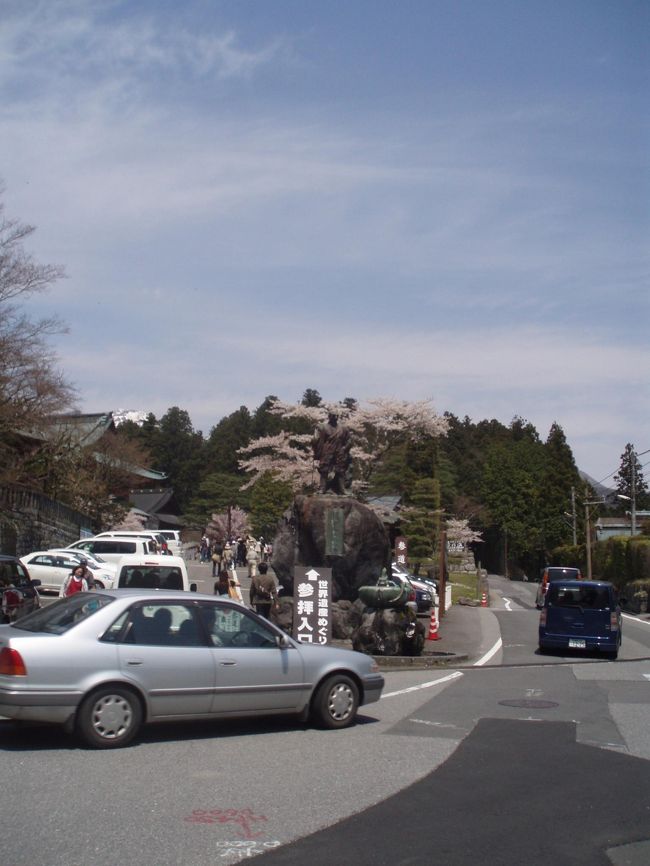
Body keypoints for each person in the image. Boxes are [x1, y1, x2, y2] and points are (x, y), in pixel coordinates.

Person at [312, 411, 351, 494]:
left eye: (336, 416)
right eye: (333, 416)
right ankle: (322, 488)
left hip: (339, 450)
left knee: (340, 470)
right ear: (329, 416)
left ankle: (342, 488)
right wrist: (315, 448)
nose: (335, 417)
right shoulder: (323, 427)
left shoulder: (343, 428)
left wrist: (345, 448)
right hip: (327, 450)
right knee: (324, 470)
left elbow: (349, 440)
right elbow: (317, 440)